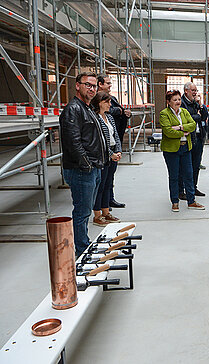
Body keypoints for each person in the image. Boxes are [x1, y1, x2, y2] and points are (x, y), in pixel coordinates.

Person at [60, 72, 106, 257]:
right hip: (82, 170)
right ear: (77, 85)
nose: (92, 88)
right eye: (87, 85)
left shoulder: (86, 108)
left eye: (94, 86)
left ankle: (83, 243)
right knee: (82, 211)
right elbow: (73, 142)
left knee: (85, 211)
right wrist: (86, 164)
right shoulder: (73, 109)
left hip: (92, 168)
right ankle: (82, 249)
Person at [160, 90, 205, 212]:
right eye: (175, 100)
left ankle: (191, 201)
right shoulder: (164, 114)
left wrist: (180, 127)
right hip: (171, 150)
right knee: (174, 176)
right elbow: (168, 132)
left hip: (186, 147)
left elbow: (192, 125)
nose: (178, 102)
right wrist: (183, 132)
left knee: (189, 175)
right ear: (168, 102)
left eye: (179, 99)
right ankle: (175, 201)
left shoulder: (184, 112)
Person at [96, 73, 130, 208]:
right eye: (108, 83)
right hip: (104, 150)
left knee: (110, 176)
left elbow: (119, 112)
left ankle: (109, 200)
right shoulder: (96, 105)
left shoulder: (112, 100)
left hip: (114, 144)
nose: (110, 85)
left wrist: (118, 150)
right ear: (100, 84)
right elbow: (115, 111)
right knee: (102, 179)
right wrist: (120, 111)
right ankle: (101, 206)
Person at [90, 91, 122, 226]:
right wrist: (110, 154)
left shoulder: (109, 117)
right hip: (103, 156)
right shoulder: (95, 118)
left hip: (113, 154)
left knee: (108, 184)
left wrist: (118, 151)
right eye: (107, 102)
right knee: (100, 186)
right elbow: (100, 141)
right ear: (99, 103)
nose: (110, 105)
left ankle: (106, 212)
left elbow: (116, 135)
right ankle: (97, 215)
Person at [180, 82, 207, 197]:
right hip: (187, 139)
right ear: (186, 91)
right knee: (185, 166)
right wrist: (197, 116)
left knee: (196, 165)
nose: (195, 92)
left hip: (198, 138)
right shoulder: (181, 103)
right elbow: (185, 120)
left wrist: (201, 105)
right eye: (193, 90)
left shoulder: (195, 103)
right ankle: (181, 191)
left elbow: (204, 116)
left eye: (196, 90)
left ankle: (193, 188)